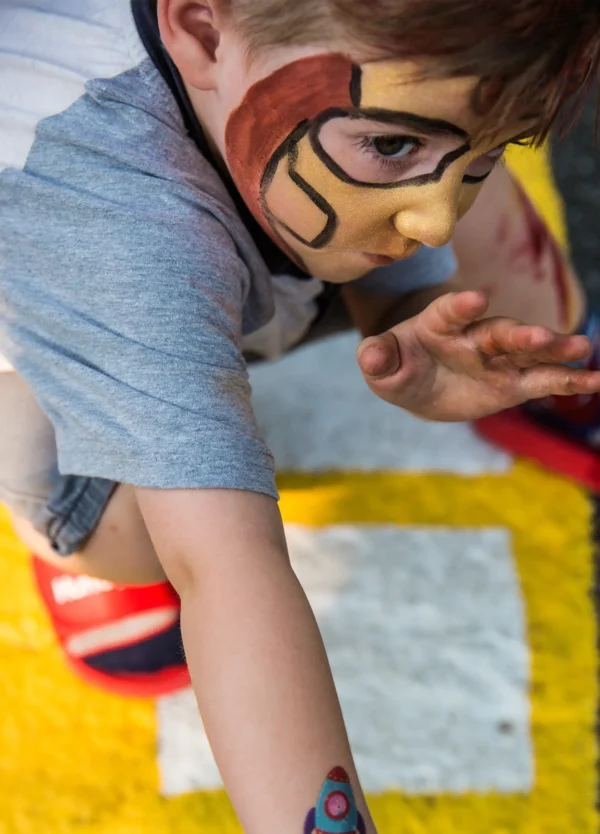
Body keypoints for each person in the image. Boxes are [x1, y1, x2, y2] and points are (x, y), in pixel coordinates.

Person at [1, 1, 599, 830]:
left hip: (256, 184)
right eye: (393, 145)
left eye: (492, 156)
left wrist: (409, 314)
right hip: (64, 330)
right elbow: (231, 573)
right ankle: (100, 476)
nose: (437, 218)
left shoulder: (290, 66)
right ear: (203, 32)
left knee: (483, 214)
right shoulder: (120, 226)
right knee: (163, 540)